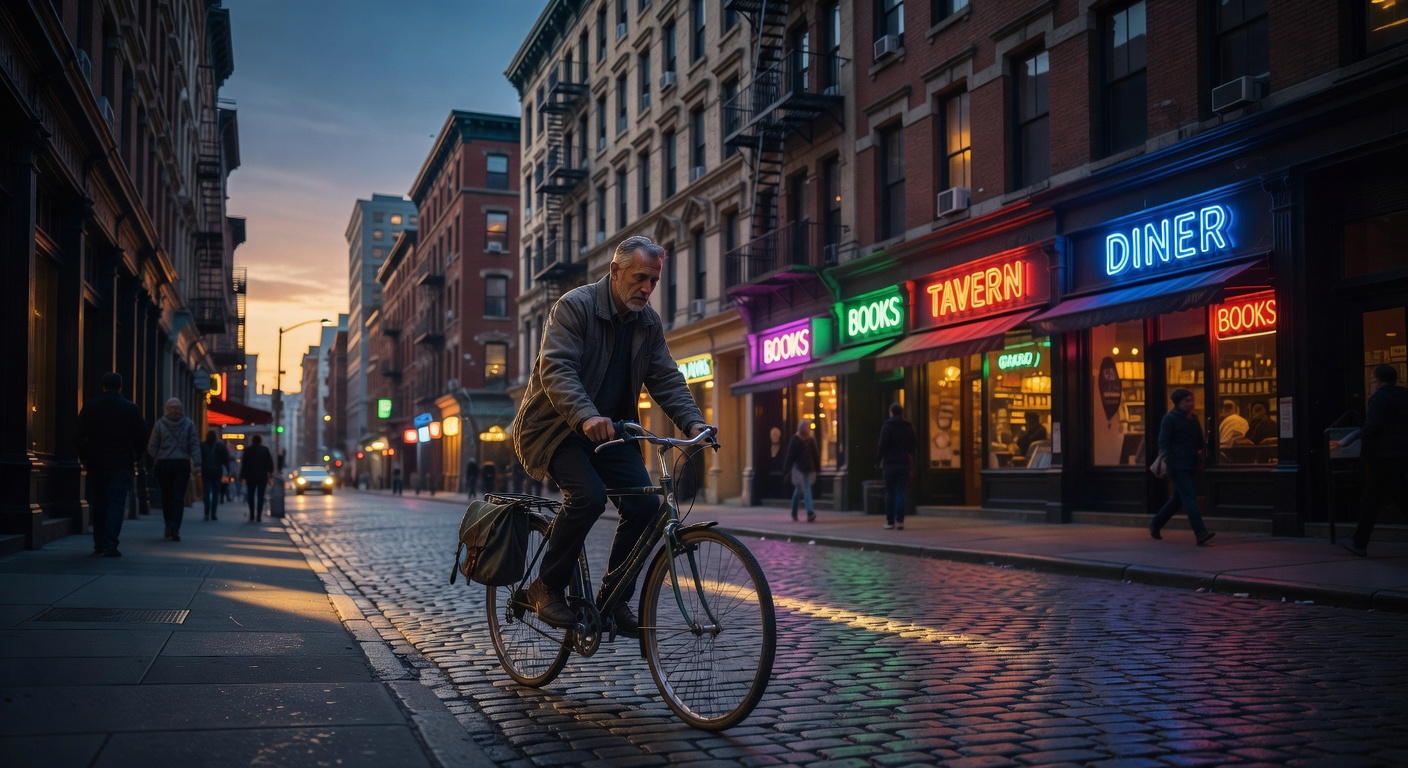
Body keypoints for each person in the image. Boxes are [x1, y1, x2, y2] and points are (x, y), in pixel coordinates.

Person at [513, 236, 710, 637]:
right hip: (556, 429)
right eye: (640, 278)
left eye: (653, 281)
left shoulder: (648, 322)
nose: (647, 288)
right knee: (588, 496)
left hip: (613, 433)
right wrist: (586, 416)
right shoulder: (574, 306)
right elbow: (557, 369)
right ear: (615, 272)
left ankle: (614, 599)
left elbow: (666, 377)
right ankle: (545, 587)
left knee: (646, 508)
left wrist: (693, 423)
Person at [1334, 364, 1408, 556]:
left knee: (1374, 499)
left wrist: (1361, 450)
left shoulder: (1379, 398)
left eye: (1373, 378)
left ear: (1377, 379)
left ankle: (1359, 542)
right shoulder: (1404, 395)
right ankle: (1359, 541)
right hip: (1402, 454)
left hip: (1382, 456)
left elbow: (1372, 426)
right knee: (1390, 496)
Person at [75, 372, 148, 557]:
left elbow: (78, 434)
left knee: (98, 502)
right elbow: (141, 437)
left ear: (103, 386)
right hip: (121, 463)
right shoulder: (131, 409)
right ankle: (110, 543)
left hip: (96, 463)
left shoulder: (91, 407)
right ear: (120, 387)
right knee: (116, 504)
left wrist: (84, 456)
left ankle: (99, 543)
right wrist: (137, 457)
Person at [1149, 388, 1215, 546]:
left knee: (1179, 499)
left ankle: (1156, 523)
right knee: (1189, 497)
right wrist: (1168, 459)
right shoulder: (1169, 418)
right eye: (1186, 401)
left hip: (1190, 463)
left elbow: (1199, 440)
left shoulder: (1193, 418)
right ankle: (1200, 532)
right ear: (1178, 402)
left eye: (1191, 400)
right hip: (1176, 465)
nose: (1190, 403)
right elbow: (1163, 441)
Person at [147, 397, 200, 542]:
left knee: (167, 496)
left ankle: (168, 524)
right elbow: (194, 444)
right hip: (182, 464)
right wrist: (197, 462)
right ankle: (176, 527)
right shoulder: (189, 424)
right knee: (178, 497)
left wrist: (158, 455)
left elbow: (152, 446)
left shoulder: (160, 424)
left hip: (164, 464)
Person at [875, 402, 917, 530]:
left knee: (890, 493)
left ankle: (890, 521)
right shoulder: (909, 426)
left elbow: (882, 446)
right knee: (900, 492)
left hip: (890, 464)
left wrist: (877, 461)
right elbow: (914, 445)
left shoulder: (887, 426)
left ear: (891, 412)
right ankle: (900, 521)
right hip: (904, 463)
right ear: (902, 413)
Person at [783, 420, 820, 523]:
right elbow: (790, 456)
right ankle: (810, 512)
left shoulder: (810, 440)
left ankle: (794, 511)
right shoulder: (795, 439)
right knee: (806, 489)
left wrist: (816, 468)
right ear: (804, 428)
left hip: (808, 469)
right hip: (798, 469)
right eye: (808, 427)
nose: (809, 429)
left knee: (799, 490)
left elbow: (815, 455)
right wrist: (786, 469)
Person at [239, 434, 274, 522]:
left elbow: (244, 464)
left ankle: (251, 514)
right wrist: (270, 475)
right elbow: (270, 463)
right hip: (262, 475)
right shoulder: (265, 450)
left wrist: (242, 476)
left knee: (250, 495)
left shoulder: (248, 450)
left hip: (250, 475)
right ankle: (258, 515)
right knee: (261, 495)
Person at [199, 430, 230, 521]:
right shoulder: (220, 446)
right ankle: (213, 513)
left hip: (206, 470)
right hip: (217, 471)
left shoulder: (203, 445)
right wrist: (228, 470)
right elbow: (225, 459)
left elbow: (199, 458)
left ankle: (206, 513)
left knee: (206, 492)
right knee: (216, 493)